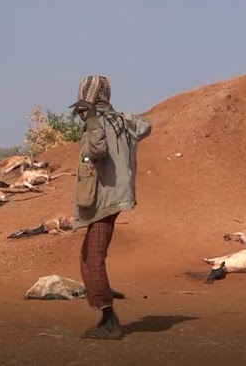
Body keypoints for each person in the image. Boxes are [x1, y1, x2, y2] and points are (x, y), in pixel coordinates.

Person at [70, 75, 152, 340]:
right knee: (86, 258)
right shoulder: (121, 121)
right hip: (110, 198)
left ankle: (109, 322)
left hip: (105, 200)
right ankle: (107, 318)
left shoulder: (99, 122)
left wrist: (93, 117)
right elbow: (145, 126)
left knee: (93, 258)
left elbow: (98, 149)